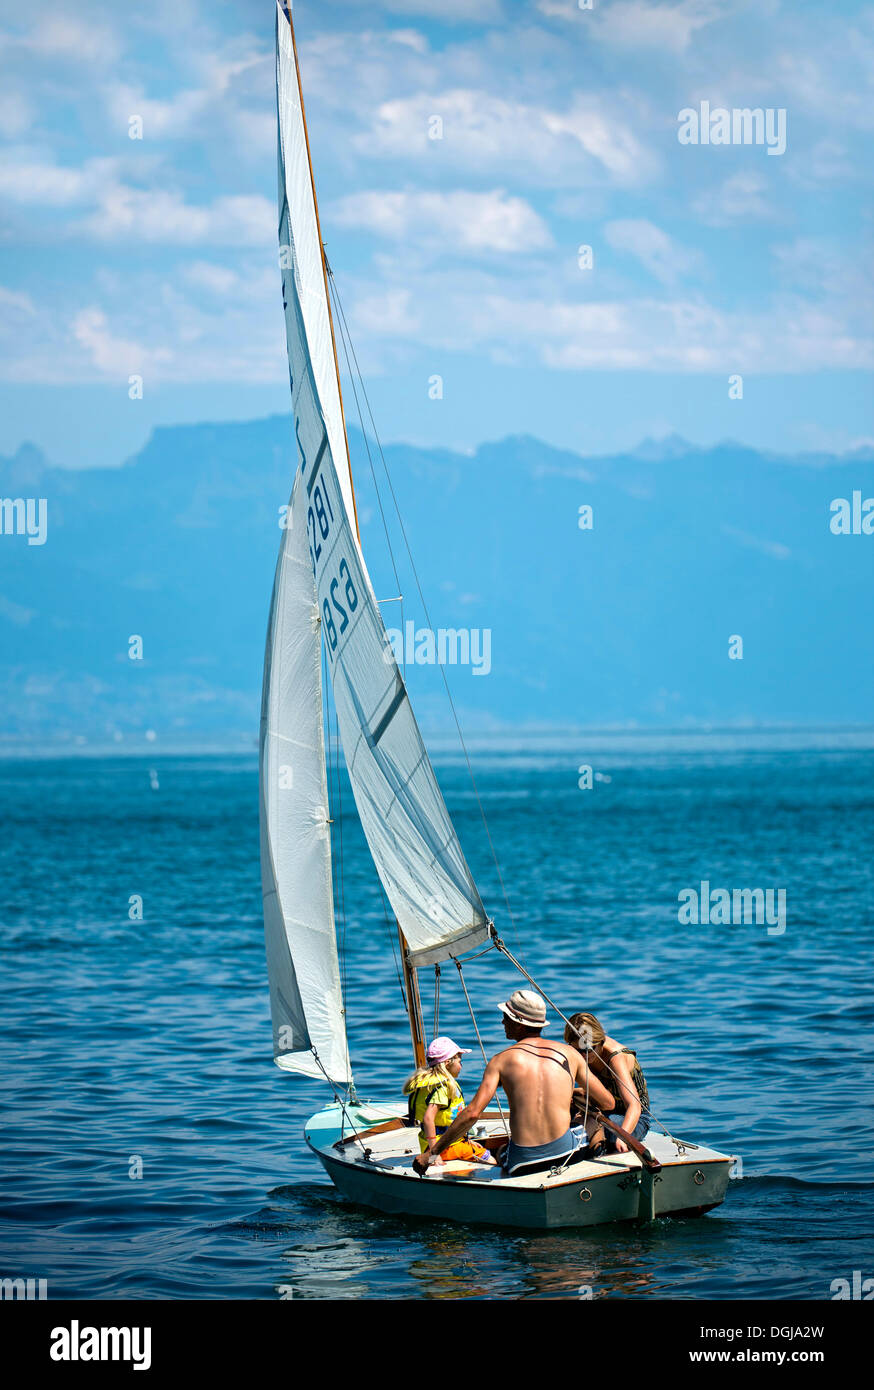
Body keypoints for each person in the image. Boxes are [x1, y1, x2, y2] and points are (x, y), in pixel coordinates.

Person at [412, 990, 616, 1178]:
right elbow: (608, 1103)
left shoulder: (500, 1061)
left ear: (519, 1023)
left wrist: (430, 1154)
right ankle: (599, 1158)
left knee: (502, 1151)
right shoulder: (570, 1054)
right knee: (591, 1120)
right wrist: (572, 1094)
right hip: (566, 1154)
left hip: (524, 1163)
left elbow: (472, 1114)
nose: (502, 1022)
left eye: (506, 1017)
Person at [564, 1011, 650, 1154]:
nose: (584, 1055)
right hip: (602, 1111)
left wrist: (624, 1136)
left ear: (601, 1041)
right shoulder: (579, 1052)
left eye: (588, 1049)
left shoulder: (615, 1058)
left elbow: (634, 1106)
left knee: (596, 1128)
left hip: (634, 1119)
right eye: (577, 1050)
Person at [403, 1036, 495, 1165]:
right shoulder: (442, 1088)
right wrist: (434, 1155)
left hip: (448, 1142)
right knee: (490, 1159)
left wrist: (466, 1141)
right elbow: (429, 1119)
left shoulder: (435, 1084)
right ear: (447, 1063)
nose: (461, 1065)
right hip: (441, 1147)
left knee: (477, 1149)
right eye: (459, 1061)